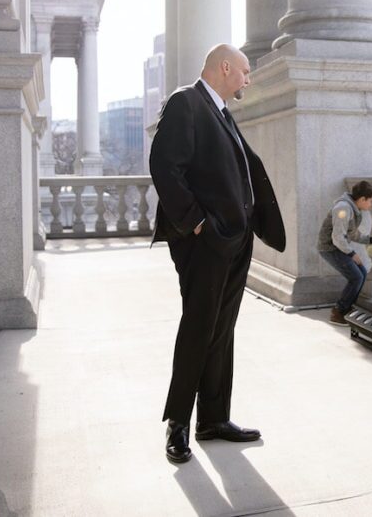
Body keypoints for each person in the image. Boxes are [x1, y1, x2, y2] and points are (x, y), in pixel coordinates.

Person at [149, 44, 286, 464]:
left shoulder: (222, 113)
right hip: (205, 242)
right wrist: (197, 223)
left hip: (232, 241)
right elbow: (164, 165)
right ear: (224, 67)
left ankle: (213, 419)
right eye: (244, 71)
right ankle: (178, 425)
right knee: (198, 328)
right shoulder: (185, 102)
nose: (248, 79)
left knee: (221, 329)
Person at [317, 181, 372, 325]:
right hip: (330, 248)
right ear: (362, 199)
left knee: (362, 273)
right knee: (356, 277)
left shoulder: (352, 209)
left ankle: (347, 308)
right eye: (371, 201)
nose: (371, 205)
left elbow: (352, 234)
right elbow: (337, 237)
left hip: (338, 247)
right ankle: (338, 312)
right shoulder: (343, 208)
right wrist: (351, 254)